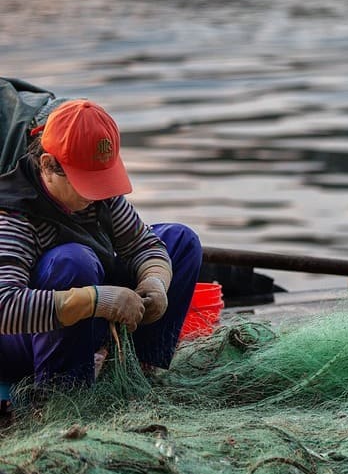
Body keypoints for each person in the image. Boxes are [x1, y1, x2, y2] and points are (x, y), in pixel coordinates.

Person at [0, 98, 202, 392]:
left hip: (84, 321)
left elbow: (144, 245)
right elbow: (5, 308)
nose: (95, 196)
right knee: (73, 261)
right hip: (22, 340)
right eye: (85, 184)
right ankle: (63, 392)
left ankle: (139, 370)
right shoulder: (13, 215)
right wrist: (96, 301)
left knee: (181, 241)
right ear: (48, 165)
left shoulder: (101, 197)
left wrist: (155, 281)